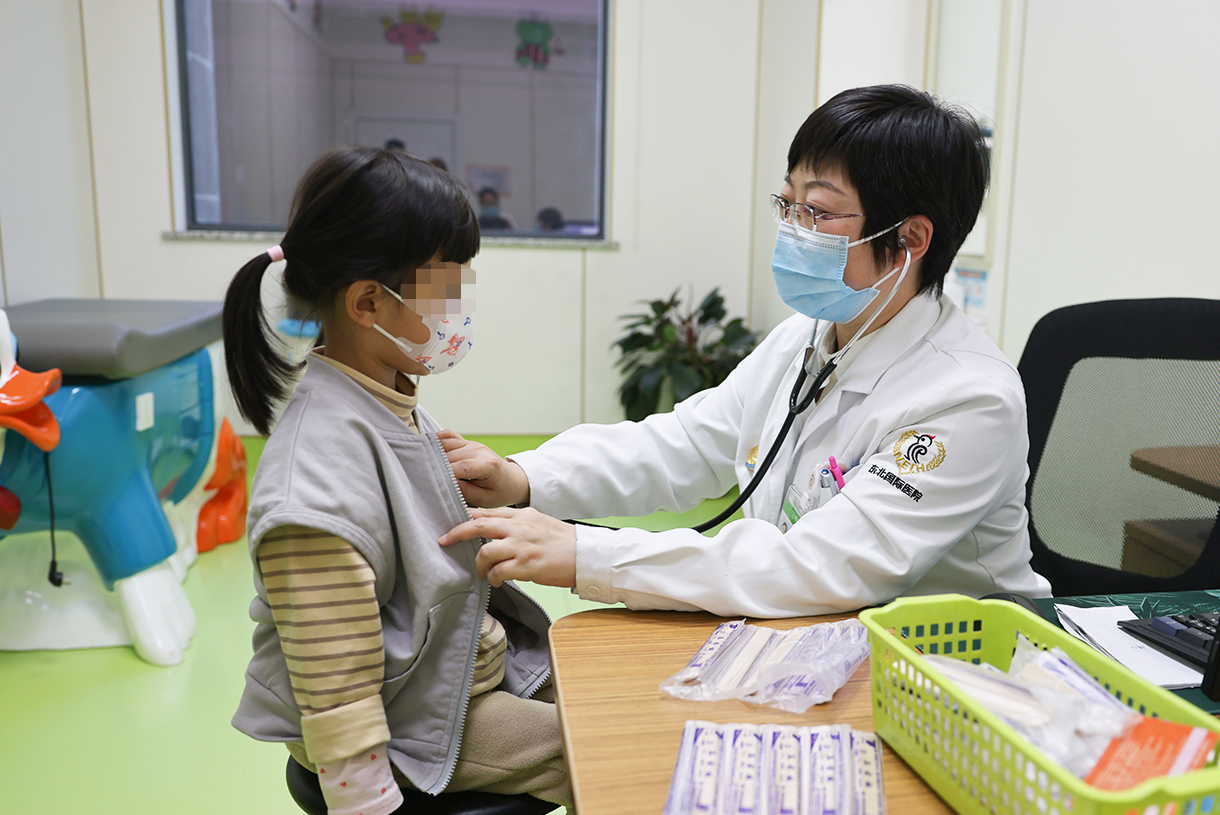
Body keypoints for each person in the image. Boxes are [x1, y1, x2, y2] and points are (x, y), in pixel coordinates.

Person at [440, 84, 1052, 618]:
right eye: (787, 204)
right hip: (815, 635)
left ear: (909, 238)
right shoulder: (807, 336)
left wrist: (587, 553)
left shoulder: (968, 398)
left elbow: (821, 567)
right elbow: (686, 444)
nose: (792, 229)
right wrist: (524, 477)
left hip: (954, 666)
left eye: (818, 211)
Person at [224, 146, 571, 814]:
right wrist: (366, 798)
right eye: (447, 286)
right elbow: (337, 684)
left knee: (613, 692)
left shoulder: (384, 397)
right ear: (367, 302)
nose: (459, 305)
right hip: (401, 720)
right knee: (601, 749)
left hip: (448, 672)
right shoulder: (314, 482)